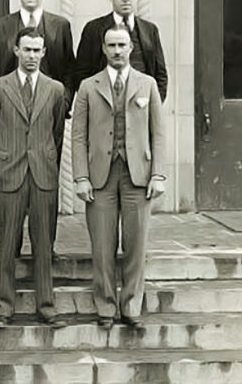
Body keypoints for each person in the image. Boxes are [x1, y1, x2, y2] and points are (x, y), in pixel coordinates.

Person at [72, 24, 166, 330]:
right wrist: (81, 177)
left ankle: (131, 306)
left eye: (121, 45)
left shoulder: (147, 84)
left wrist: (158, 174)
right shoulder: (88, 86)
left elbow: (158, 133)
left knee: (136, 244)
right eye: (111, 45)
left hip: (138, 174)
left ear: (131, 48)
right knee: (102, 245)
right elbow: (78, 136)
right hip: (100, 175)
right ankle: (105, 306)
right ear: (103, 48)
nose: (116, 51)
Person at [0, 27, 68, 328]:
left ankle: (46, 305)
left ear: (44, 53)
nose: (32, 55)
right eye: (27, 50)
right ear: (16, 51)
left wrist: (44, 157)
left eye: (37, 50)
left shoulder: (55, 89)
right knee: (6, 243)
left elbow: (56, 132)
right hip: (10, 171)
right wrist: (4, 155)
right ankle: (3, 307)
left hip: (43, 173)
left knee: (44, 243)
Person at [74, 0, 168, 102]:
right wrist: (94, 104)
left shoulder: (150, 30)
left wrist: (153, 104)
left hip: (141, 105)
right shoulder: (93, 29)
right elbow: (81, 73)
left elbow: (160, 75)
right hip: (103, 104)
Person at [0, 0, 74, 95]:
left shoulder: (61, 25)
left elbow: (69, 70)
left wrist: (64, 101)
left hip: (51, 101)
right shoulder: (1, 26)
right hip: (9, 100)